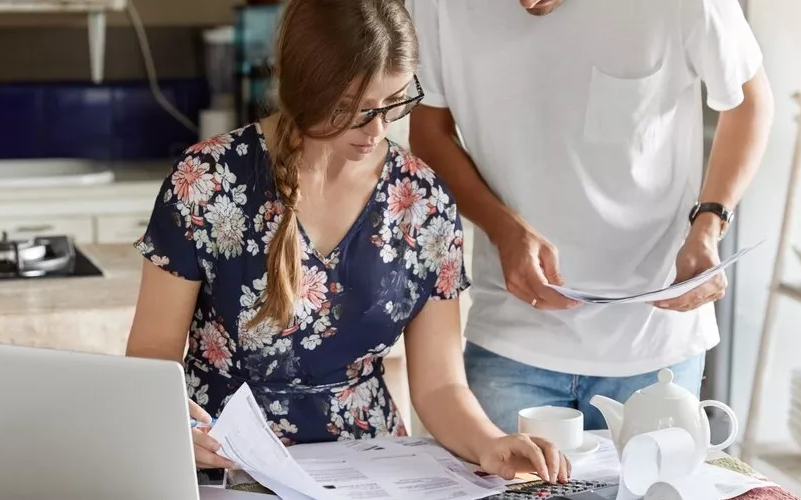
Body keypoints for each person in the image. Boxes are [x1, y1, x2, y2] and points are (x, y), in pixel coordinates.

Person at [126, 0, 572, 483]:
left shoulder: (422, 201)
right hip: (223, 463)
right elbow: (152, 353)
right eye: (351, 110)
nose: (377, 131)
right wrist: (173, 425)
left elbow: (441, 385)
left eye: (394, 102)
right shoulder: (205, 181)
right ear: (304, 88)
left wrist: (491, 442)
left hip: (371, 468)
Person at [407, 0, 774, 433]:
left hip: (655, 348)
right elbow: (428, 132)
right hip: (511, 337)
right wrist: (502, 227)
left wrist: (709, 224)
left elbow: (750, 102)